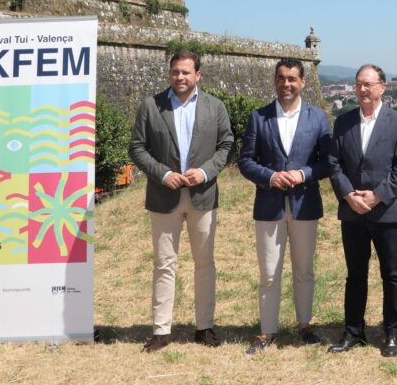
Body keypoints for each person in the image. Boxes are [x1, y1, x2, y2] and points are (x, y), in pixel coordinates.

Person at [128, 49, 234, 352]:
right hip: (164, 196)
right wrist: (163, 174)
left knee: (205, 263)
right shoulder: (151, 106)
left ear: (198, 75)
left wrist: (205, 172)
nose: (180, 77)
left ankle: (205, 327)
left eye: (186, 72)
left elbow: (226, 145)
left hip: (203, 195)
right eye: (175, 71)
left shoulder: (215, 107)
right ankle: (161, 330)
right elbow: (137, 148)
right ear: (169, 73)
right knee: (164, 264)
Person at [238, 58, 333, 355]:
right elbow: (245, 161)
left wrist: (303, 174)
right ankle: (267, 331)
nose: (286, 84)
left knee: (304, 270)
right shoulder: (259, 117)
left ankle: (305, 326)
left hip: (305, 204)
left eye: (292, 78)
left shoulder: (318, 118)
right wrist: (270, 177)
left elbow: (328, 162)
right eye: (281, 78)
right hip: (269, 206)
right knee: (269, 272)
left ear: (302, 81)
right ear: (275, 81)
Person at [327, 65, 397, 358]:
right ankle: (354, 332)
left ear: (382, 87)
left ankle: (393, 333)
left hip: (385, 211)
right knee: (355, 274)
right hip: (351, 211)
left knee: (391, 273)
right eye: (358, 84)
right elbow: (333, 164)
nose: (362, 89)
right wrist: (348, 194)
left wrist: (377, 196)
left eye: (368, 84)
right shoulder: (343, 122)